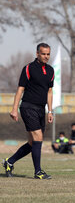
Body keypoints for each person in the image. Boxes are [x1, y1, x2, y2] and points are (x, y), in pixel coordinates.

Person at [3, 43, 54, 179]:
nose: (46, 56)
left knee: (33, 143)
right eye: (43, 54)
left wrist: (50, 111)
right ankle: (38, 172)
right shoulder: (28, 68)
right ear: (37, 53)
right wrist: (14, 109)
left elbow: (49, 92)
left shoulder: (50, 71)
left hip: (40, 109)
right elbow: (20, 89)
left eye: (48, 54)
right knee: (39, 137)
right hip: (27, 107)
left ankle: (9, 162)